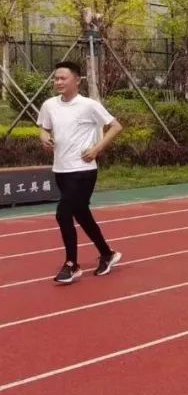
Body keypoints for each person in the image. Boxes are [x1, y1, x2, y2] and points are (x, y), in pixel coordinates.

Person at [37, 61, 124, 284]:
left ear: (77, 80)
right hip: (61, 169)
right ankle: (107, 253)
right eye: (56, 78)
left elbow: (116, 126)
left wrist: (96, 149)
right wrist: (44, 138)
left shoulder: (89, 105)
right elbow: (43, 128)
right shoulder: (49, 105)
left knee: (63, 213)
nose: (58, 82)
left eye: (63, 78)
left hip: (84, 170)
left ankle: (71, 265)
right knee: (81, 214)